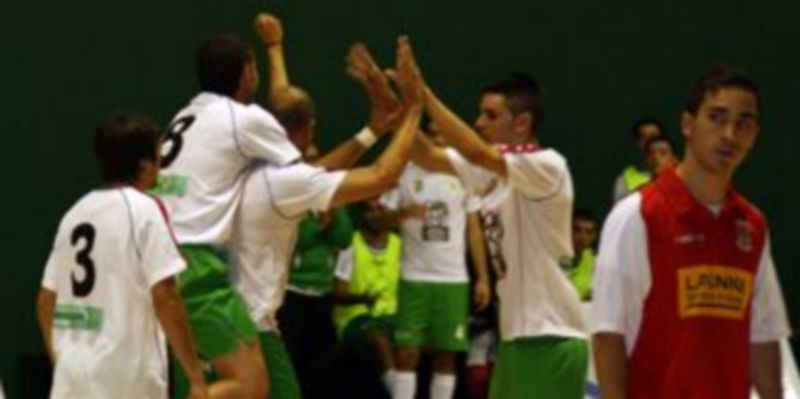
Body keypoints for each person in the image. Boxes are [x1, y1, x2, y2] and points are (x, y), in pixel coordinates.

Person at [228, 15, 422, 398]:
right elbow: (382, 176)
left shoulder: (255, 158)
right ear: (308, 130)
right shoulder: (283, 179)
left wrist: (274, 48)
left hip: (236, 310)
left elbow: (284, 108)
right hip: (250, 319)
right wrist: (412, 112)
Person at [591, 65, 791, 399]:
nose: (730, 134)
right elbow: (608, 336)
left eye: (744, 123)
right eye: (717, 117)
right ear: (687, 124)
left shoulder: (753, 225)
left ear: (754, 136)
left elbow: (764, 334)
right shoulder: (637, 215)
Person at [405, 41, 588, 398]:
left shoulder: (547, 165)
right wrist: (397, 108)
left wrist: (423, 94)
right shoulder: (487, 171)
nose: (478, 122)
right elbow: (425, 155)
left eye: (490, 115)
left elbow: (475, 150)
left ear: (522, 123)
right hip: (516, 339)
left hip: (553, 338)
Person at [154, 31, 301, 397]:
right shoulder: (243, 120)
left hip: (160, 258)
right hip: (196, 264)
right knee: (251, 386)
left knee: (212, 382)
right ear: (247, 72)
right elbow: (299, 172)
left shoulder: (183, 116)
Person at [36, 111, 208, 399]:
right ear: (144, 165)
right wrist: (195, 375)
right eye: (158, 157)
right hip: (125, 381)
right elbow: (166, 295)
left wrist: (62, 360)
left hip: (72, 382)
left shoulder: (74, 214)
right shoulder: (144, 210)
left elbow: (44, 301)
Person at [380, 127, 490, 399]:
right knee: (406, 354)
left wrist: (483, 277)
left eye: (446, 135)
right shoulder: (404, 170)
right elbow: (379, 220)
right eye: (433, 134)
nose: (440, 140)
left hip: (453, 279)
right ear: (424, 138)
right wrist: (405, 213)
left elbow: (474, 230)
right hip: (414, 276)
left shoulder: (465, 173)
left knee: (446, 356)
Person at [278, 209, 353, 398]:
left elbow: (344, 239)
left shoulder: (335, 204)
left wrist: (334, 218)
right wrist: (321, 226)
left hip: (323, 293)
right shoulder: (297, 206)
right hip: (292, 291)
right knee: (291, 360)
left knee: (320, 363)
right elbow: (295, 241)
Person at [332, 198, 403, 393]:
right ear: (361, 216)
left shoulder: (399, 245)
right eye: (369, 211)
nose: (376, 215)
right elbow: (338, 293)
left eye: (380, 210)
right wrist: (363, 298)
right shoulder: (350, 244)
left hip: (392, 315)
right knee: (378, 339)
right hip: (356, 316)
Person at [611, 118, 665, 203]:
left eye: (654, 137)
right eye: (643, 137)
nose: (648, 142)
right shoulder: (624, 179)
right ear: (637, 143)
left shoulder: (677, 174)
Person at [565, 208, 599, 301]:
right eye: (577, 230)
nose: (582, 237)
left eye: (588, 232)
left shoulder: (597, 265)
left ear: (594, 237)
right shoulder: (555, 260)